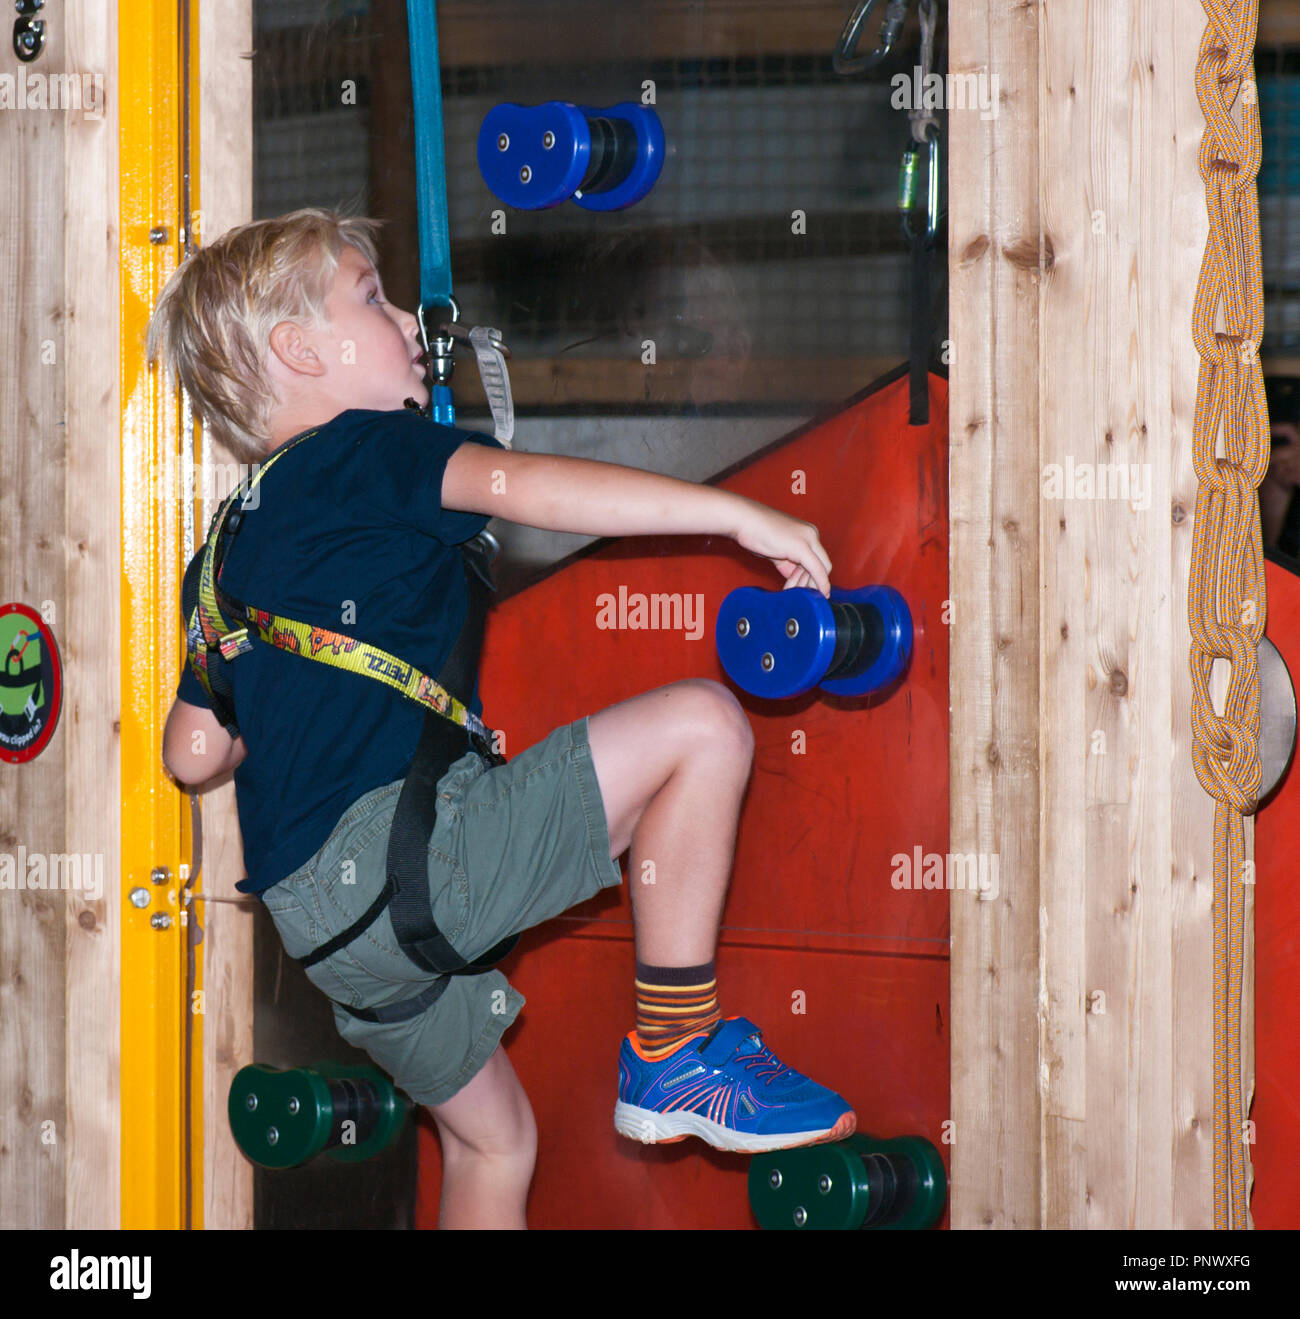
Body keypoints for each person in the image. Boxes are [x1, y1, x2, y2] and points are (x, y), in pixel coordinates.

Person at [147, 207, 854, 1230]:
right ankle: (674, 1050)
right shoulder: (365, 452)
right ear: (300, 351)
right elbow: (523, 488)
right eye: (370, 295)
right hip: (404, 869)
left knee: (494, 1139)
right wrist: (737, 512)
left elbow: (194, 748)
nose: (403, 317)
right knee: (705, 725)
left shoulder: (222, 554)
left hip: (325, 932)